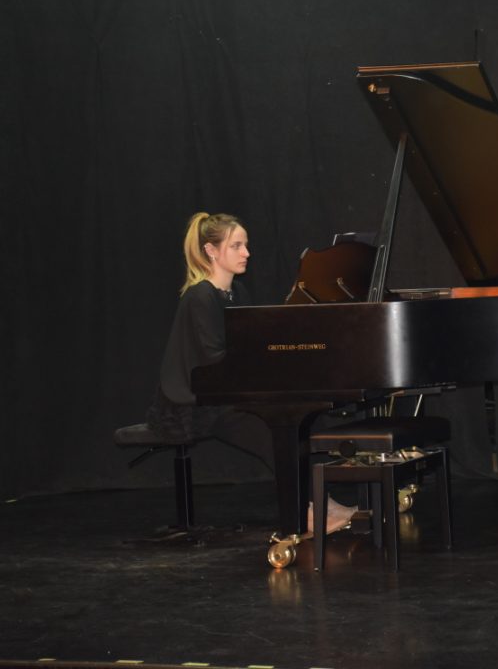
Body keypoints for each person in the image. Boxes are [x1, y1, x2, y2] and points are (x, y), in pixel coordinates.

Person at [120, 212, 355, 532]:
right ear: (211, 251)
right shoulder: (199, 296)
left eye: (245, 245)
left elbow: (245, 348)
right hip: (191, 404)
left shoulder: (237, 293)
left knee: (291, 421)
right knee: (271, 432)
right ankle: (306, 511)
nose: (246, 253)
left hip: (221, 392)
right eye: (236, 246)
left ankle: (318, 501)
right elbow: (214, 358)